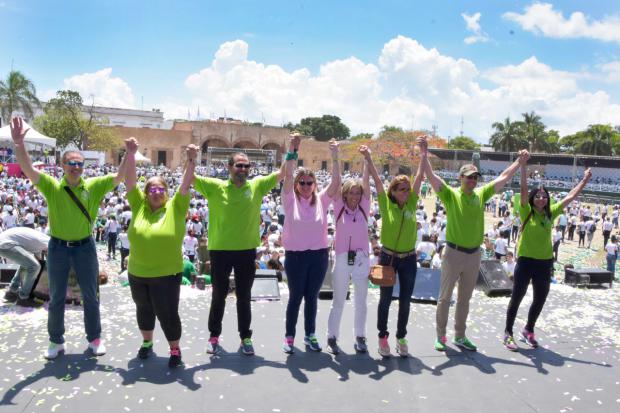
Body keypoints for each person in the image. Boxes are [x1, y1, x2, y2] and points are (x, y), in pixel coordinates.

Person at [10, 116, 128, 360]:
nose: (76, 167)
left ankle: (94, 338)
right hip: (58, 248)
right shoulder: (53, 187)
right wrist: (19, 144)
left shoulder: (93, 186)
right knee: (56, 298)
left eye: (80, 163)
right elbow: (29, 170)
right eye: (72, 163)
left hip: (85, 247)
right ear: (63, 165)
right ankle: (56, 341)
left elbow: (118, 177)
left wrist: (129, 153)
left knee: (90, 296)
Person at [419, 135, 528, 352]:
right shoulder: (451, 195)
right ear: (460, 178)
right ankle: (441, 336)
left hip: (474, 255)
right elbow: (431, 176)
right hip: (453, 252)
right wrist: (424, 153)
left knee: (465, 299)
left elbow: (504, 177)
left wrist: (519, 162)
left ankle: (459, 336)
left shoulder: (481, 194)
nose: (472, 181)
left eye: (475, 178)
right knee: (444, 297)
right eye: (468, 177)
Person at [194, 146, 284, 356]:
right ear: (229, 167)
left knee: (244, 296)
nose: (243, 169)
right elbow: (190, 179)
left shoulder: (257, 185)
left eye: (247, 165)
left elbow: (283, 173)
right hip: (220, 251)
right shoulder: (215, 186)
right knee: (218, 296)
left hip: (245, 251)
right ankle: (214, 336)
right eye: (239, 165)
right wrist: (191, 159)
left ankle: (245, 337)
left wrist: (293, 150)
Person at [124, 138, 197, 368]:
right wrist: (130, 154)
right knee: (143, 309)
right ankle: (147, 343)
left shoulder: (176, 207)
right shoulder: (138, 206)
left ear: (166, 192)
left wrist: (192, 161)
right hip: (138, 273)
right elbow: (129, 182)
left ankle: (174, 349)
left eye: (160, 189)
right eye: (152, 189)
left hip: (166, 274)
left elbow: (185, 185)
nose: (156, 192)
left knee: (168, 314)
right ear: (146, 194)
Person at [503, 165, 592, 351]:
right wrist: (523, 166)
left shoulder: (551, 212)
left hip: (544, 263)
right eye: (538, 196)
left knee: (540, 299)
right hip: (526, 261)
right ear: (532, 198)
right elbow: (523, 189)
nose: (541, 199)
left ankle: (528, 329)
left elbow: (570, 197)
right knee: (517, 297)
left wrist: (584, 181)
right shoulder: (526, 211)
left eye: (544, 196)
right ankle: (508, 333)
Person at [281, 136, 340, 354]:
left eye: (309, 183)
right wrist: (292, 149)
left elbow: (335, 184)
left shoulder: (322, 200)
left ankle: (310, 334)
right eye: (302, 183)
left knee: (312, 297)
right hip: (295, 257)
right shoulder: (289, 199)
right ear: (296, 185)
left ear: (315, 184)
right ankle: (289, 337)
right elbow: (288, 173)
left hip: (318, 256)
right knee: (295, 297)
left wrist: (335, 156)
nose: (306, 186)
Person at [365, 143, 423, 358]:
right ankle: (383, 337)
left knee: (406, 300)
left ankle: (401, 337)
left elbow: (419, 179)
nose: (406, 193)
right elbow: (378, 181)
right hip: (388, 257)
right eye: (402, 190)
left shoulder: (412, 204)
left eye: (408, 189)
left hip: (408, 259)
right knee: (385, 300)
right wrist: (369, 158)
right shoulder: (385, 204)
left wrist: (424, 154)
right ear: (393, 191)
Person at [326, 146, 371, 355]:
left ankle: (360, 336)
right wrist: (335, 157)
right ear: (345, 193)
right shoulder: (338, 205)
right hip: (343, 258)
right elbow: (336, 180)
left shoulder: (364, 205)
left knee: (361, 301)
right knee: (339, 301)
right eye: (351, 192)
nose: (354, 195)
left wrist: (367, 159)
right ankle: (332, 336)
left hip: (362, 258)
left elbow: (366, 179)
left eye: (357, 193)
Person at [1, 227, 50, 307]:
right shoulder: (46, 243)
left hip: (5, 242)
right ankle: (23, 298)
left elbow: (39, 259)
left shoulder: (42, 240)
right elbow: (43, 261)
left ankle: (11, 293)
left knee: (28, 264)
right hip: (6, 244)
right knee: (34, 266)